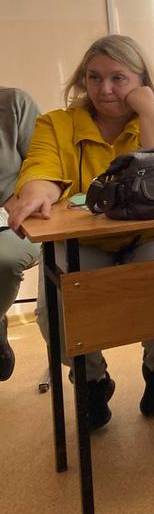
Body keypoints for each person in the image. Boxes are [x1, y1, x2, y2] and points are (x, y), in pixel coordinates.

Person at [8, 36, 154, 429]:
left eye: (118, 78)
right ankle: (92, 379)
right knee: (55, 309)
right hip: (83, 242)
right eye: (94, 77)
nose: (104, 89)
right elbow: (41, 168)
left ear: (142, 81)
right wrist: (36, 192)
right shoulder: (56, 124)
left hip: (148, 237)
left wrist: (149, 110)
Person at [0, 87, 42, 381]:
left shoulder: (14, 103)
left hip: (12, 217)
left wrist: (18, 201)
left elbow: (42, 168)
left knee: (4, 261)